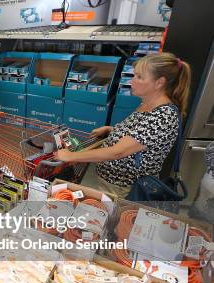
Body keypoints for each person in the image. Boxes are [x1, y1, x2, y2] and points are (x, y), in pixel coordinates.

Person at [55, 53, 192, 198]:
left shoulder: (163, 116)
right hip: (113, 184)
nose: (132, 81)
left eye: (139, 77)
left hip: (126, 190)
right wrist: (112, 130)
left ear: (159, 83)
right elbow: (140, 136)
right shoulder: (148, 104)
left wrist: (71, 156)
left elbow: (117, 152)